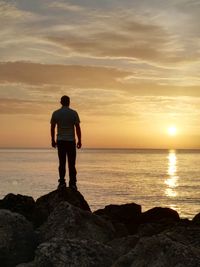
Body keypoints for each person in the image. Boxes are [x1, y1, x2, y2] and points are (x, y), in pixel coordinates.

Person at [50, 95, 82, 190]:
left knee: (62, 163)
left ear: (61, 102)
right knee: (72, 164)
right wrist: (80, 140)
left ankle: (62, 182)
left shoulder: (56, 113)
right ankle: (72, 183)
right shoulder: (73, 113)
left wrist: (52, 140)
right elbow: (78, 128)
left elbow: (52, 128)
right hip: (71, 141)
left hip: (61, 141)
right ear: (69, 102)